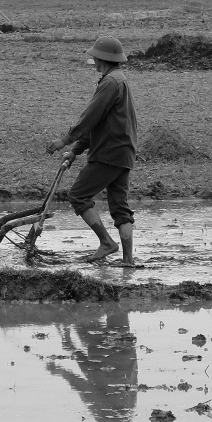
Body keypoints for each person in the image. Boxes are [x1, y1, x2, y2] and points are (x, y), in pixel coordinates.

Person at [45, 35, 138, 266]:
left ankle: (106, 242)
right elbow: (101, 122)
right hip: (124, 153)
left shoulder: (109, 83)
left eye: (95, 57)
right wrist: (76, 150)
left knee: (78, 195)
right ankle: (128, 261)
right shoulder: (119, 80)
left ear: (102, 59)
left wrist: (65, 141)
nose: (93, 61)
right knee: (120, 208)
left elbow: (90, 117)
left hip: (108, 153)